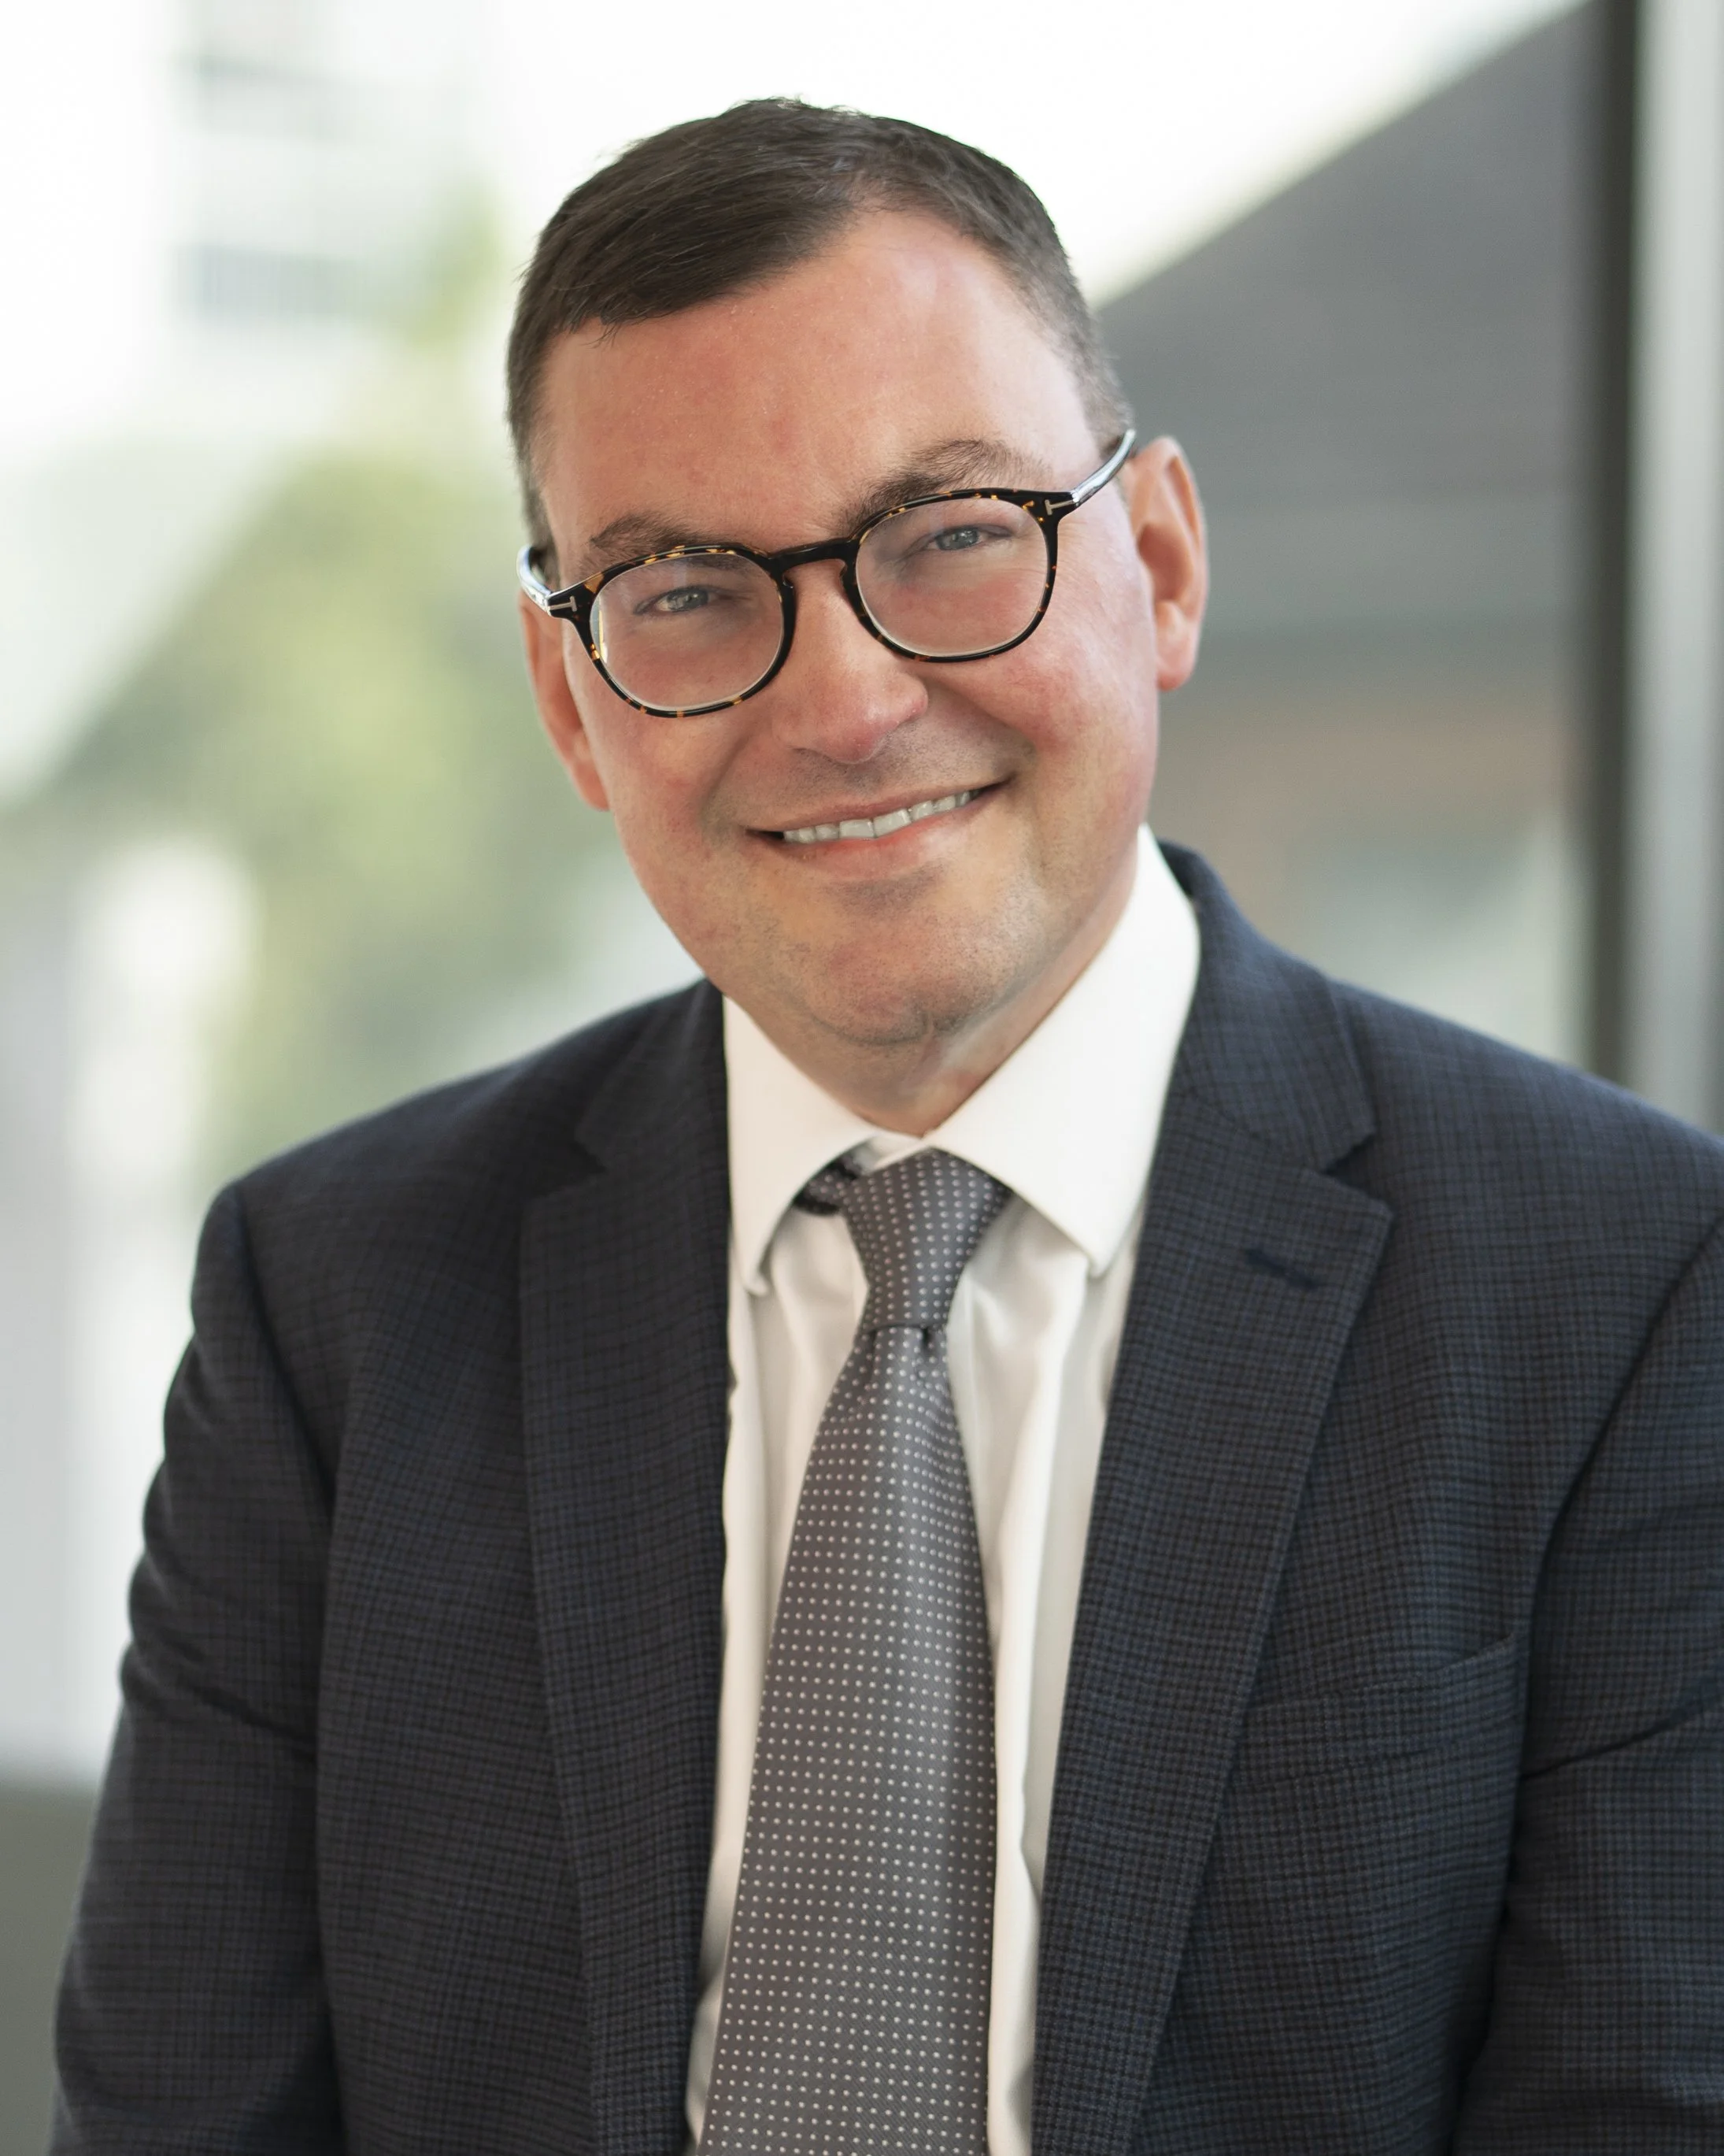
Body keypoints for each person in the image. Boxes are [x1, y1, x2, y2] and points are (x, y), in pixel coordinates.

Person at [53, 99, 1724, 2154]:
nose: (842, 706)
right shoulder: (333, 1304)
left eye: (948, 536)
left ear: (1160, 567)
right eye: (682, 588)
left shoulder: (1626, 1289)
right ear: (572, 704)